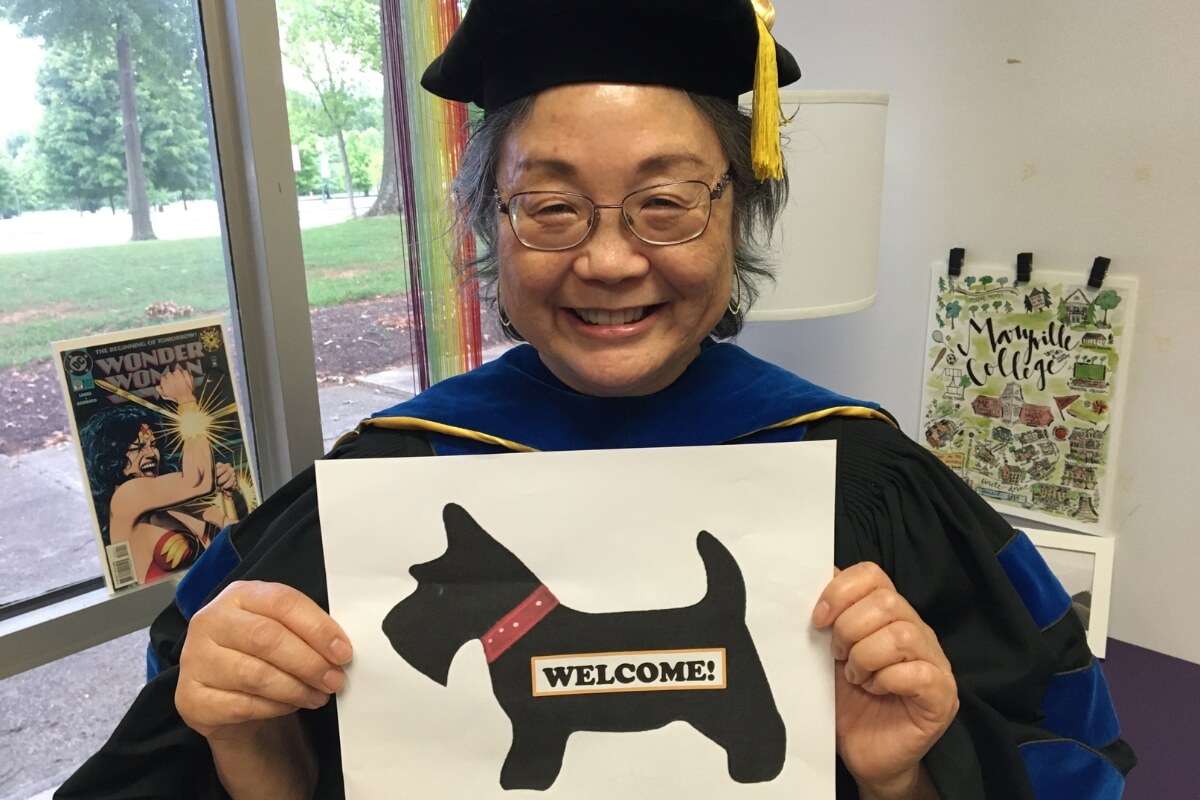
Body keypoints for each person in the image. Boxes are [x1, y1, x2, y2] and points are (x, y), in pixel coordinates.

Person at [58, 0, 1134, 797]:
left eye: (666, 202)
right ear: (491, 223)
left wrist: (908, 778)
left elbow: (1071, 749)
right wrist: (248, 742)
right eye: (551, 205)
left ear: (739, 214)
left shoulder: (867, 479)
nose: (610, 260)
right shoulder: (384, 484)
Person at [79, 367, 241, 584]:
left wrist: (227, 494)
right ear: (111, 457)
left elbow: (236, 537)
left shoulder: (175, 505)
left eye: (153, 445)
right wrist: (186, 400)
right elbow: (198, 481)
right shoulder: (126, 496)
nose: (151, 454)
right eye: (137, 448)